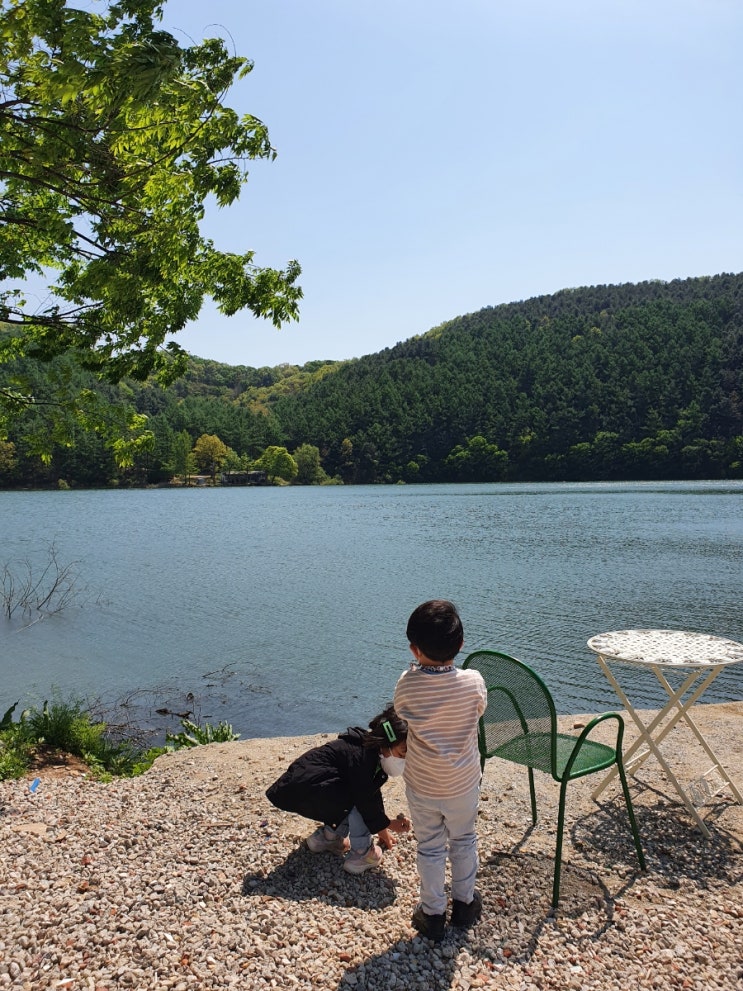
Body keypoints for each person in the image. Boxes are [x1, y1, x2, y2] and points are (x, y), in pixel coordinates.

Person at [393, 599, 487, 942]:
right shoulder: (474, 682)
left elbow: (401, 713)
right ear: (460, 645)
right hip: (463, 782)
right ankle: (464, 904)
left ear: (414, 650)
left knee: (430, 846)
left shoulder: (407, 684)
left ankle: (432, 913)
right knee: (464, 839)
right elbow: (479, 709)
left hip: (423, 784)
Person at [265, 704, 411, 874]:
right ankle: (362, 854)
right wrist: (388, 824)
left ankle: (329, 837)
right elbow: (366, 801)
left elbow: (370, 791)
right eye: (402, 754)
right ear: (385, 744)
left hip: (297, 786)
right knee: (358, 800)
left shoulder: (364, 749)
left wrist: (382, 830)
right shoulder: (363, 760)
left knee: (348, 790)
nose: (403, 760)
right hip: (306, 789)